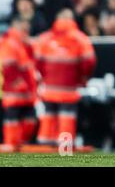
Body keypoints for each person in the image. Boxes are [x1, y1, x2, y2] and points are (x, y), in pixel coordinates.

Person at [34, 9, 96, 146]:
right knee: (66, 119)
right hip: (69, 90)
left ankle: (45, 151)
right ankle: (65, 151)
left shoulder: (45, 39)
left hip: (49, 89)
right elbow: (89, 63)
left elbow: (37, 63)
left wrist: (45, 77)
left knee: (48, 118)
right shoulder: (81, 39)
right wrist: (82, 79)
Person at [0, 17, 37, 149]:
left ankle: (19, 144)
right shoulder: (8, 42)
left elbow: (30, 64)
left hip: (28, 91)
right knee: (12, 120)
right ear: (16, 27)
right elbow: (6, 65)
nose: (26, 32)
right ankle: (11, 145)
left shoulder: (23, 44)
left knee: (29, 121)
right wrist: (16, 82)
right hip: (14, 90)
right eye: (24, 29)